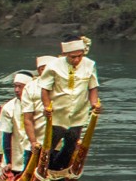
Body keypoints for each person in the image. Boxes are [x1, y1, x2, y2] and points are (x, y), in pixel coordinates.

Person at [37, 35, 103, 172]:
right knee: (49, 146)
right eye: (73, 57)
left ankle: (58, 169)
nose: (77, 60)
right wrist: (47, 106)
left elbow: (92, 87)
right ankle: (42, 170)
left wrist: (94, 104)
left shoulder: (90, 65)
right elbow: (45, 89)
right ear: (65, 54)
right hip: (57, 114)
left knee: (71, 146)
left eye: (79, 56)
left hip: (78, 114)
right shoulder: (53, 66)